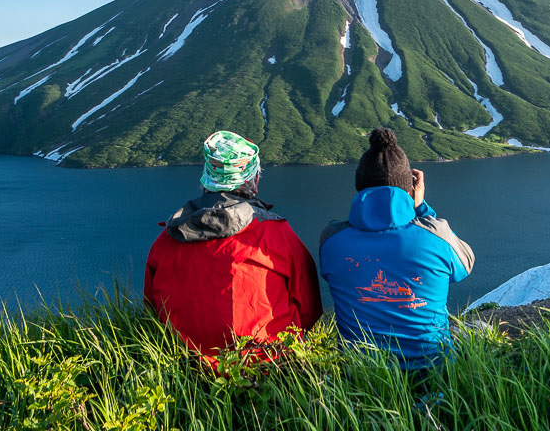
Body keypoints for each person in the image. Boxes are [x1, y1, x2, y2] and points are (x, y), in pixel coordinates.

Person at [144, 130, 322, 365]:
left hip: (186, 366)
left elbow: (151, 307)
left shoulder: (168, 239)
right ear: (253, 182)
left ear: (206, 180)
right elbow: (308, 309)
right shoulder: (275, 234)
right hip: (268, 366)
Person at [319, 127, 475, 370]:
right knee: (477, 331)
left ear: (359, 187)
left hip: (360, 375)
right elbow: (466, 264)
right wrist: (422, 208)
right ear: (411, 188)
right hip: (434, 372)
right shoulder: (435, 235)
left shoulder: (331, 238)